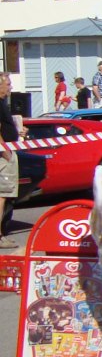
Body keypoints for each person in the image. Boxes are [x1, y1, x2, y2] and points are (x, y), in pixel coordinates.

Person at [0, 72, 23, 249]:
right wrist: (6, 152)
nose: (10, 87)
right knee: (2, 196)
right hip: (3, 155)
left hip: (6, 150)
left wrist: (17, 132)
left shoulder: (3, 104)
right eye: (8, 84)